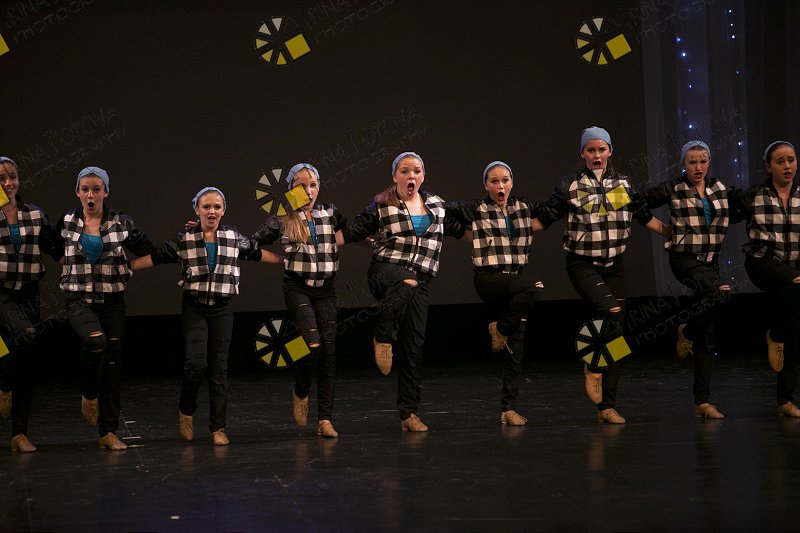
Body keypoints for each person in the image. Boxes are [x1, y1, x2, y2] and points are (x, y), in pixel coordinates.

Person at [533, 127, 670, 424]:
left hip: (614, 264)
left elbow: (643, 217)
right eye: (591, 150)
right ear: (583, 153)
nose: (597, 155)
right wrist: (509, 231)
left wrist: (673, 234)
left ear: (610, 151)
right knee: (610, 311)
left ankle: (607, 406)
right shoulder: (571, 184)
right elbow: (544, 218)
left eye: (601, 149)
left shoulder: (622, 183)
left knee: (616, 330)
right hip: (582, 263)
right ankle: (593, 365)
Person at [135, 187, 280, 445]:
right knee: (196, 364)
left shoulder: (233, 236)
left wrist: (285, 261)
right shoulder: (185, 238)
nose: (211, 211)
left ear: (223, 210)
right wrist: (126, 267)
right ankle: (186, 411)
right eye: (206, 207)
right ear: (197, 210)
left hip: (222, 308)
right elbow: (156, 257)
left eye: (216, 207)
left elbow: (255, 253)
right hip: (195, 307)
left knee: (219, 368)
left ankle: (218, 428)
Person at [343, 151, 463, 432]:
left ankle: (409, 414)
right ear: (395, 176)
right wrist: (319, 242)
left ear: (423, 176)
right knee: (405, 280)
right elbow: (351, 231)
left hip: (419, 281)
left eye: (417, 171)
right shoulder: (382, 205)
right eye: (405, 171)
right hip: (385, 272)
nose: (412, 176)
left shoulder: (437, 205)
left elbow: (462, 229)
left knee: (413, 346)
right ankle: (383, 337)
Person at [52, 166, 157, 450]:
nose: (91, 195)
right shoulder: (67, 221)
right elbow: (52, 248)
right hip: (78, 300)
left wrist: (126, 268)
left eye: (96, 189)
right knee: (95, 341)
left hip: (112, 301)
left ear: (105, 192)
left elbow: (150, 252)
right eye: (85, 189)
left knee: (113, 364)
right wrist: (70, 268)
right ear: (77, 192)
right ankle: (89, 394)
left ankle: (108, 432)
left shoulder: (121, 222)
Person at [646, 140, 747, 419]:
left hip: (709, 263)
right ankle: (687, 332)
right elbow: (638, 203)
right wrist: (663, 229)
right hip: (684, 260)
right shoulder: (673, 188)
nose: (698, 167)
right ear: (684, 164)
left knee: (709, 333)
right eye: (692, 162)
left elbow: (746, 203)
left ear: (709, 162)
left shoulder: (720, 189)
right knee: (721, 293)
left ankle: (702, 401)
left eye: (702, 161)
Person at [447, 161, 543, 426]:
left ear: (511, 182)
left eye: (505, 180)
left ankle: (509, 409)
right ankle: (499, 329)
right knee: (533, 288)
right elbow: (446, 212)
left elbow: (552, 211)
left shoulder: (523, 207)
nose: (500, 185)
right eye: (494, 181)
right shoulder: (477, 208)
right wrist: (466, 234)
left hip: (515, 282)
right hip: (488, 278)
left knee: (516, 348)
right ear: (486, 185)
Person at [254, 163, 347, 438]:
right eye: (301, 186)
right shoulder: (282, 218)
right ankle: (301, 390)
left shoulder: (329, 212)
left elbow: (354, 232)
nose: (308, 191)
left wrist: (376, 240)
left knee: (328, 353)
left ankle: (325, 420)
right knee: (312, 344)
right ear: (290, 190)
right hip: (298, 288)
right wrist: (280, 260)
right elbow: (250, 245)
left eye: (313, 185)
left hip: (326, 289)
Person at [0, 157, 58, 452]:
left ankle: (19, 434)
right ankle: (4, 384)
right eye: (1, 179)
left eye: (12, 176)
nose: (8, 183)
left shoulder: (35, 213)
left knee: (25, 359)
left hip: (29, 294)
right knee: (25, 337)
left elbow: (54, 248)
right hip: (1, 293)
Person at [740, 141, 800, 417]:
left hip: (793, 270)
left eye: (791, 160)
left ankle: (785, 401)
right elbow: (720, 215)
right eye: (780, 161)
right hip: (762, 263)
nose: (787, 166)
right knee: (794, 285)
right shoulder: (755, 195)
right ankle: (776, 334)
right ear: (768, 167)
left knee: (795, 330)